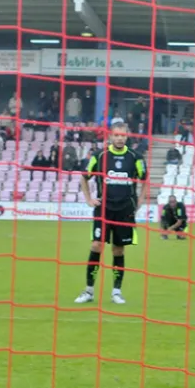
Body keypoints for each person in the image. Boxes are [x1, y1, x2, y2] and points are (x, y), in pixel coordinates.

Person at [74, 118, 147, 306]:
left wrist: (139, 201)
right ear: (110, 136)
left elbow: (145, 180)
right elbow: (84, 177)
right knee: (96, 245)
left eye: (123, 135)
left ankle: (116, 291)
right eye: (116, 135)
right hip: (103, 209)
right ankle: (89, 290)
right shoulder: (99, 156)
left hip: (125, 211)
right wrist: (89, 199)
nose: (120, 139)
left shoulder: (136, 157)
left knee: (118, 249)